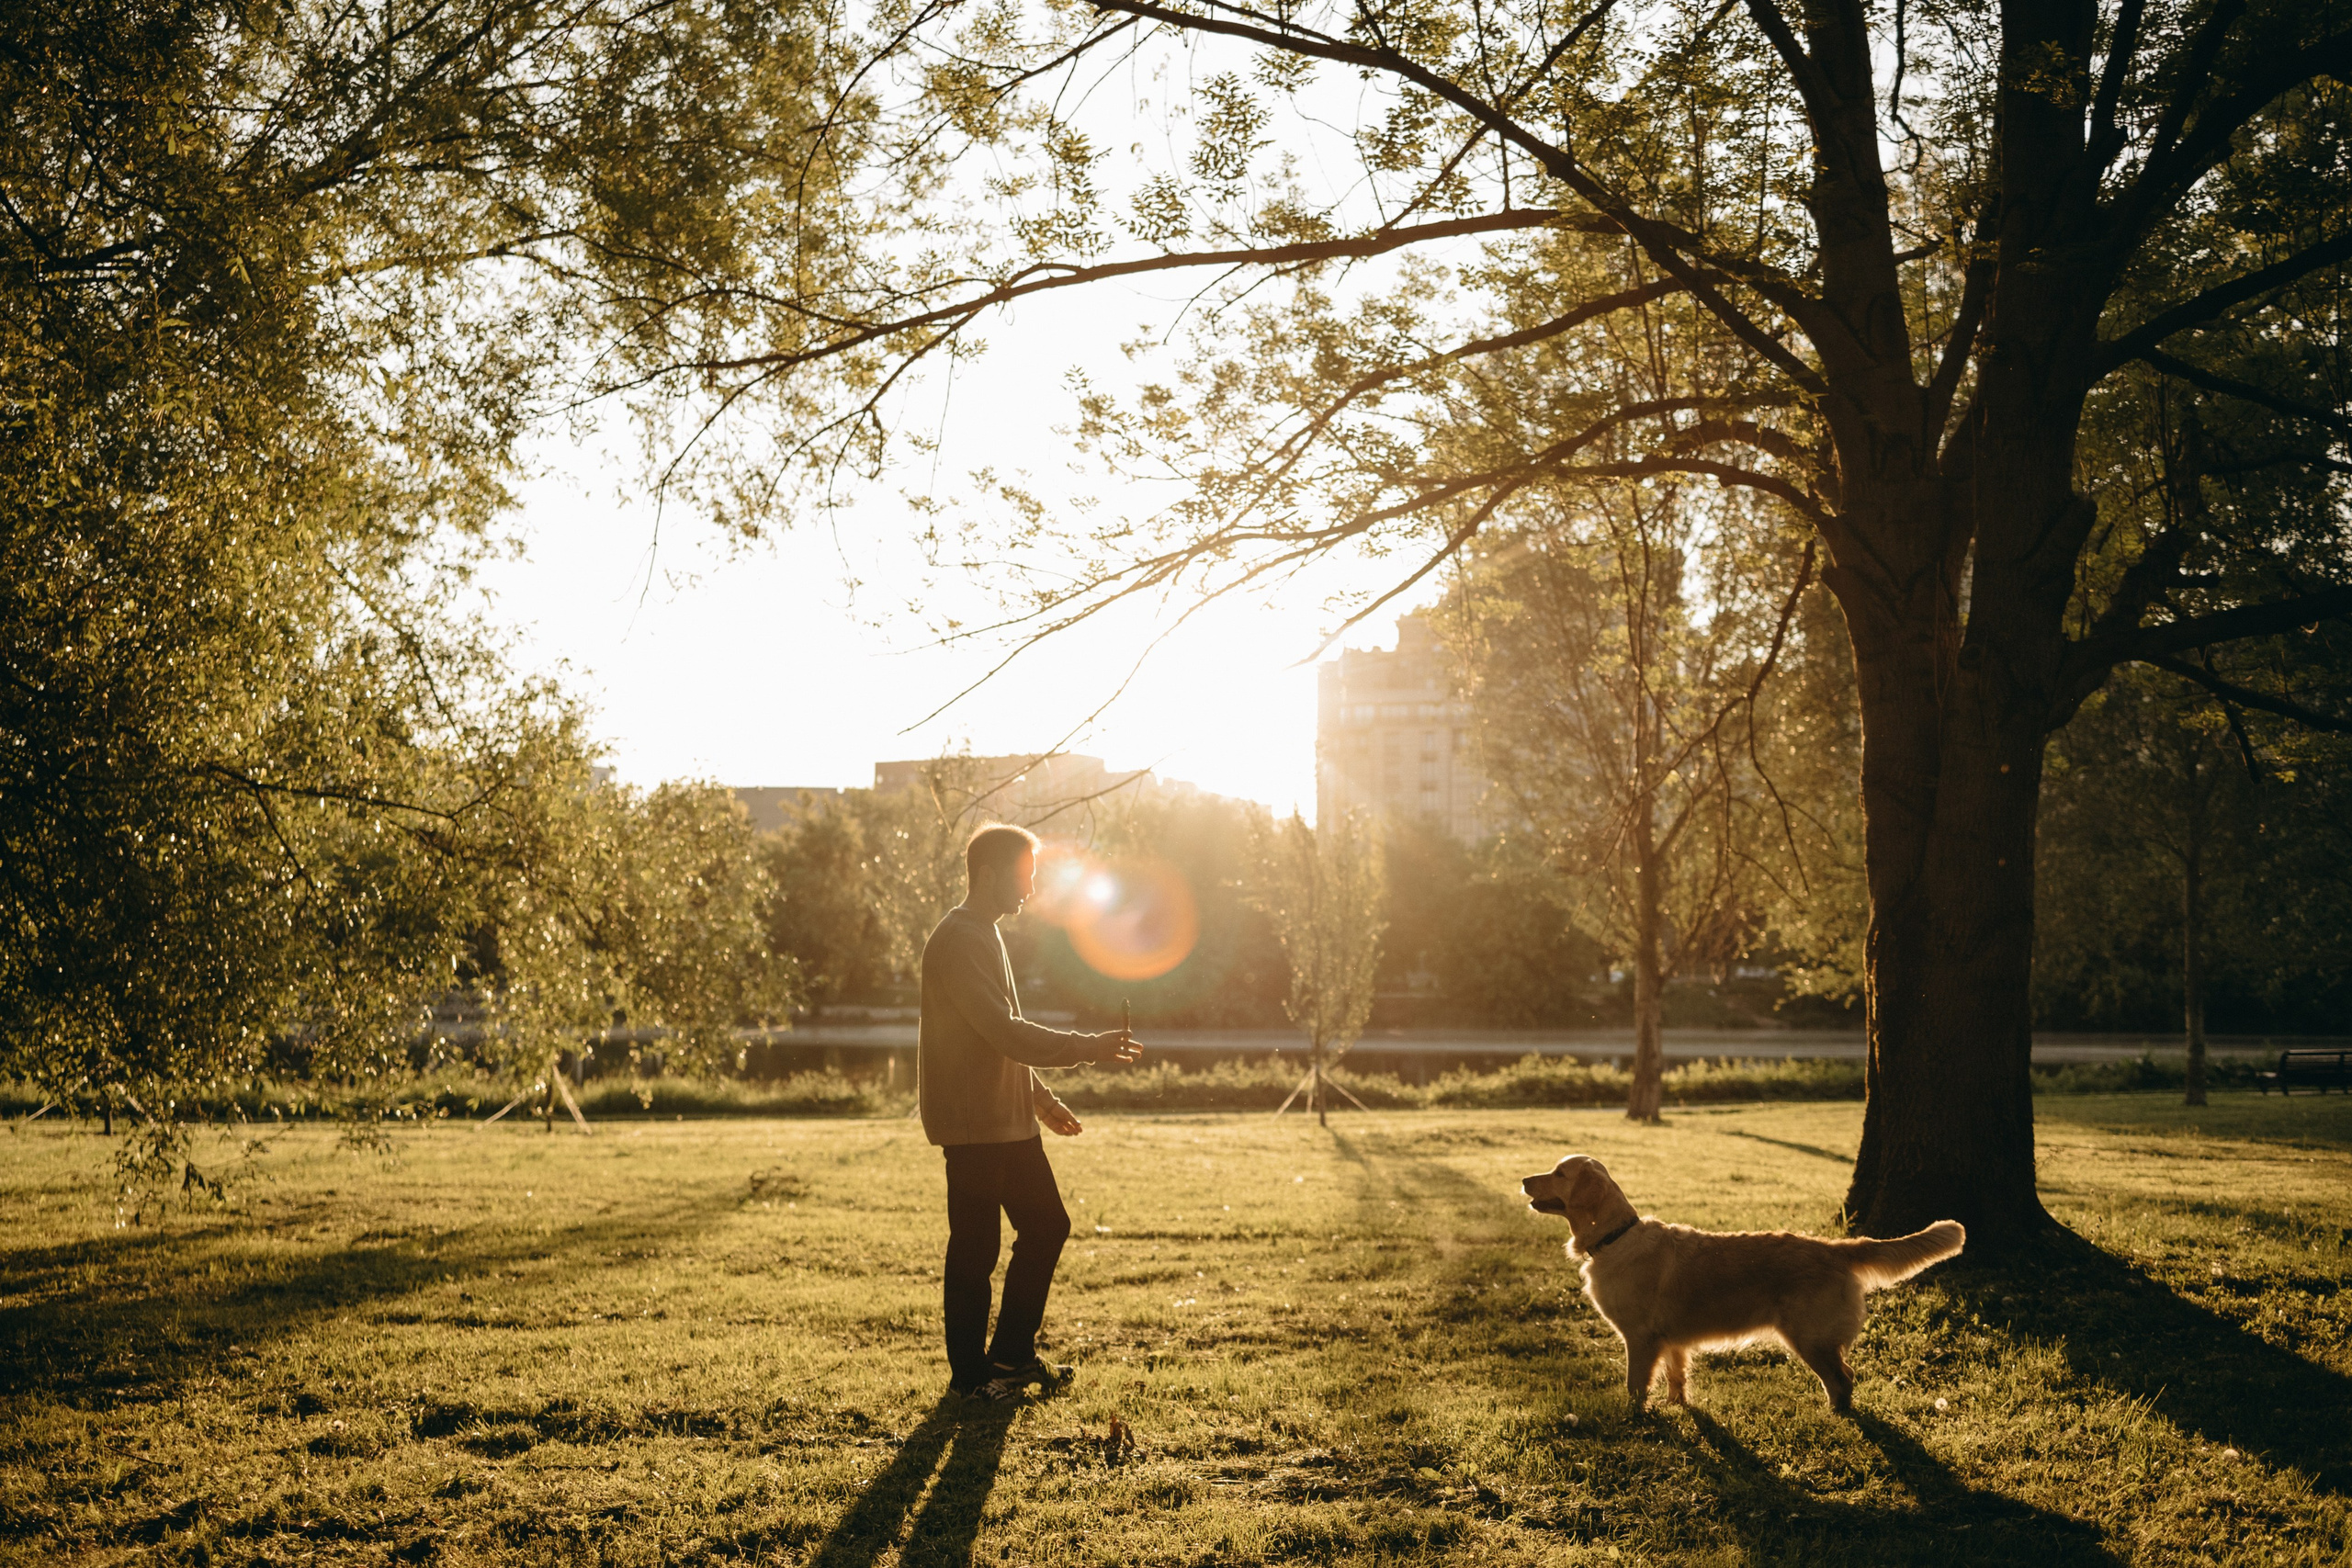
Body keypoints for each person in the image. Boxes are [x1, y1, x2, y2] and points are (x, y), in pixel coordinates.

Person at [919, 823, 1142, 1401]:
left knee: (1046, 1226)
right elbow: (1006, 1031)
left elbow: (997, 1039)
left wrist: (1039, 1100)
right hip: (975, 1124)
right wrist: (1090, 1047)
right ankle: (970, 1380)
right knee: (976, 1251)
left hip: (1008, 1120)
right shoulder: (960, 939)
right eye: (1024, 877)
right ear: (988, 874)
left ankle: (1011, 1357)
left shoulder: (986, 934)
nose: (1031, 890)